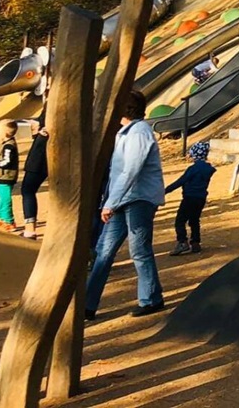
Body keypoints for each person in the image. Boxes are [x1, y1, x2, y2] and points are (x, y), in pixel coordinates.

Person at [84, 90, 166, 320]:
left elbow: (131, 170)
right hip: (121, 199)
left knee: (139, 250)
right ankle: (87, 305)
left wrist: (109, 203)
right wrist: (110, 201)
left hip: (139, 199)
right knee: (103, 251)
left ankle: (151, 299)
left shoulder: (139, 132)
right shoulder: (124, 132)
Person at [165, 142, 216, 255]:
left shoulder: (193, 169)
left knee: (180, 220)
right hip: (201, 198)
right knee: (194, 220)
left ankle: (182, 242)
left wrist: (166, 190)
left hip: (189, 197)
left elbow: (180, 181)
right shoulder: (208, 169)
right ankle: (195, 242)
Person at [20, 110, 48, 240]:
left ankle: (30, 229)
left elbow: (42, 124)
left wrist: (41, 134)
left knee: (28, 190)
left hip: (40, 158)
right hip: (42, 155)